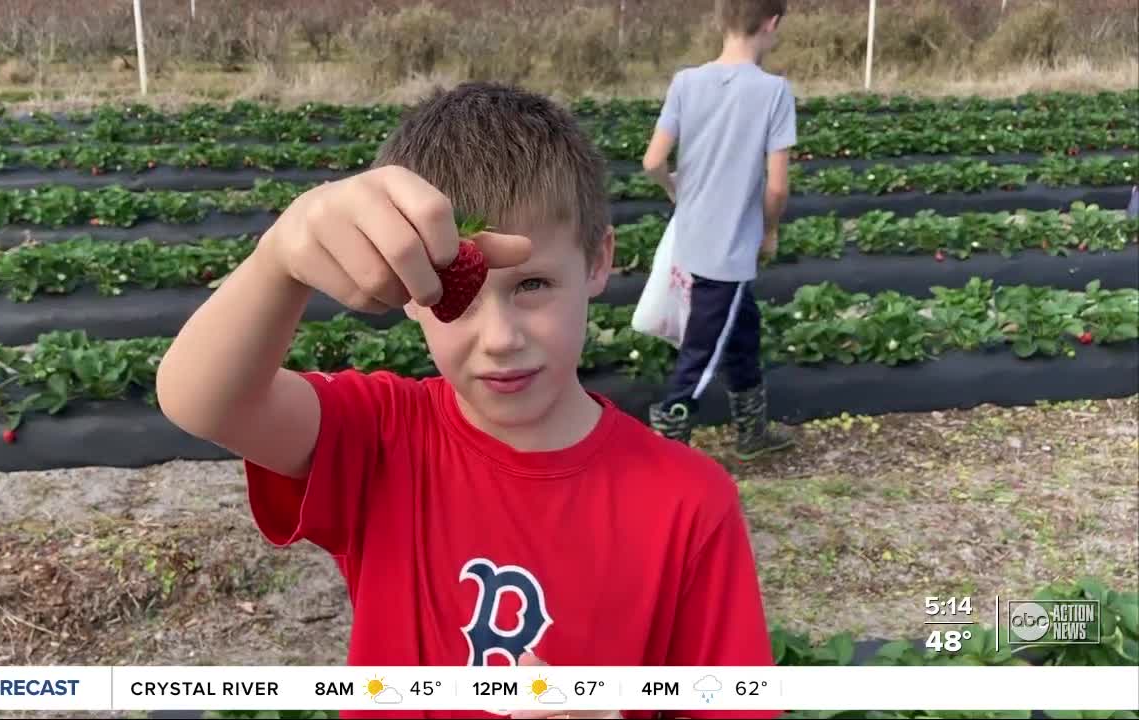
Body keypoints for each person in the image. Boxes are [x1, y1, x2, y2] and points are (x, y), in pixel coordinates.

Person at [157, 82, 778, 719]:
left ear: (598, 261)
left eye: (532, 284)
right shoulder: (381, 436)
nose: (501, 339)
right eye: (458, 297)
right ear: (402, 285)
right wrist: (279, 259)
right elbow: (205, 402)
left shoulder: (690, 502)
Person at [641, 0, 798, 461]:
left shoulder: (686, 82)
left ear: (721, 21)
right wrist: (769, 231)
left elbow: (652, 161)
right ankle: (667, 440)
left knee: (743, 329)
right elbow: (777, 187)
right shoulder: (774, 92)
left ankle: (752, 432)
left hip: (691, 241)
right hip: (728, 251)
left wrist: (676, 191)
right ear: (770, 24)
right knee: (700, 357)